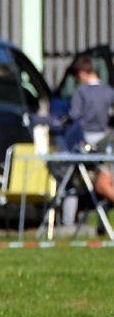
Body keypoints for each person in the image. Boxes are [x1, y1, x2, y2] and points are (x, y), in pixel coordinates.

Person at [63, 55, 114, 207]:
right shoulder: (108, 91)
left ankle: (68, 217)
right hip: (106, 142)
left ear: (81, 74)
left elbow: (74, 115)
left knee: (72, 180)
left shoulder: (81, 91)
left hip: (86, 141)